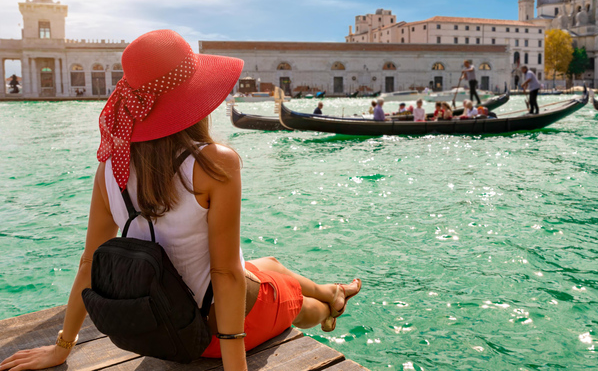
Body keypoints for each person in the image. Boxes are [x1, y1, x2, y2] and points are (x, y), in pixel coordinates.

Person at [0, 30, 361, 371]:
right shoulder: (214, 163)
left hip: (160, 328)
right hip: (212, 335)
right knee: (297, 300)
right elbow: (225, 275)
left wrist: (63, 347)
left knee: (270, 263)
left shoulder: (109, 169)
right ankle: (328, 306)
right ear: (193, 98)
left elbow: (88, 263)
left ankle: (332, 290)